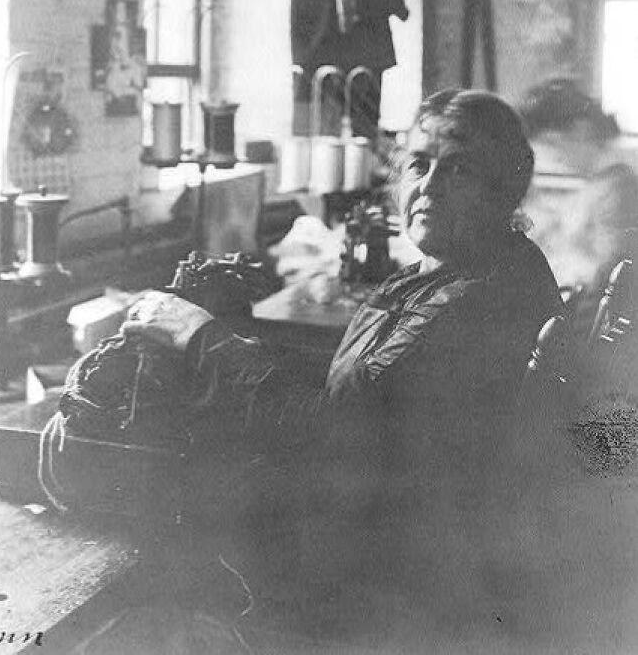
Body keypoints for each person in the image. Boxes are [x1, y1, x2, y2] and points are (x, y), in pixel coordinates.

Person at [101, 89, 563, 648]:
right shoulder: (469, 266)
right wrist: (233, 345)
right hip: (413, 527)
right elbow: (368, 383)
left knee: (153, 543)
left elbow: (338, 428)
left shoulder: (471, 298)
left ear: (501, 191)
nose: (429, 186)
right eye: (419, 164)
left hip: (397, 568)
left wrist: (198, 336)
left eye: (459, 168)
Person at [518, 77, 638, 326]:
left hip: (588, 322)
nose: (557, 156)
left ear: (581, 131)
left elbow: (610, 272)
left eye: (555, 144)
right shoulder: (595, 184)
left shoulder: (617, 187)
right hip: (575, 305)